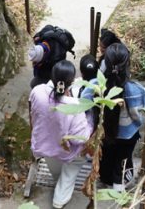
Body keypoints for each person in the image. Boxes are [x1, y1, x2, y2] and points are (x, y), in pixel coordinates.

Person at [81, 43, 145, 191]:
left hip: (103, 132)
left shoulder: (96, 86)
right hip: (128, 135)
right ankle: (118, 186)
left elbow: (83, 102)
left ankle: (104, 178)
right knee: (123, 159)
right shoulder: (137, 89)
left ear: (104, 64)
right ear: (127, 65)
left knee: (106, 156)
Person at [29, 60, 92, 209]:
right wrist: (90, 121)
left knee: (55, 164)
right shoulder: (74, 106)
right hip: (65, 151)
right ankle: (59, 200)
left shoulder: (37, 91)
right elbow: (80, 138)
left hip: (43, 145)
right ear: (71, 82)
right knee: (75, 163)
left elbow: (33, 113)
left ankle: (59, 180)